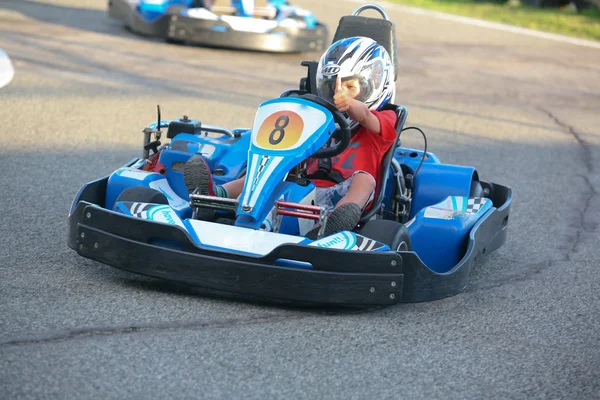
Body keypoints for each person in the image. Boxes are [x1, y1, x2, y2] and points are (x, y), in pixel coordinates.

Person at [184, 36, 397, 237]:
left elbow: (366, 115)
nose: (338, 94)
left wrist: (350, 105)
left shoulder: (382, 120)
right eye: (332, 87)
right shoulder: (317, 118)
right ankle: (214, 197)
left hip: (340, 197)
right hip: (301, 190)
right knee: (265, 168)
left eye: (350, 87)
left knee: (364, 180)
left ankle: (331, 227)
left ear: (374, 86)